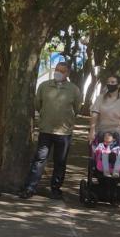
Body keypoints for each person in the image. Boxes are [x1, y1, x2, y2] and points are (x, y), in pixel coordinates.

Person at [20, 62, 82, 200]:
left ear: (67, 74)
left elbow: (77, 108)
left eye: (62, 71)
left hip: (64, 132)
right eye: (57, 70)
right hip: (46, 130)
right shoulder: (44, 86)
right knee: (39, 160)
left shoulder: (74, 90)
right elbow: (38, 104)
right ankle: (30, 188)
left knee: (60, 162)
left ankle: (56, 189)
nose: (58, 72)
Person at [89, 75, 120, 156]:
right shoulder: (100, 98)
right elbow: (94, 115)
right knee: (97, 160)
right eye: (108, 82)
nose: (110, 84)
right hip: (100, 134)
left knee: (117, 161)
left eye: (112, 82)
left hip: (118, 135)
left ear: (118, 85)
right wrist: (92, 131)